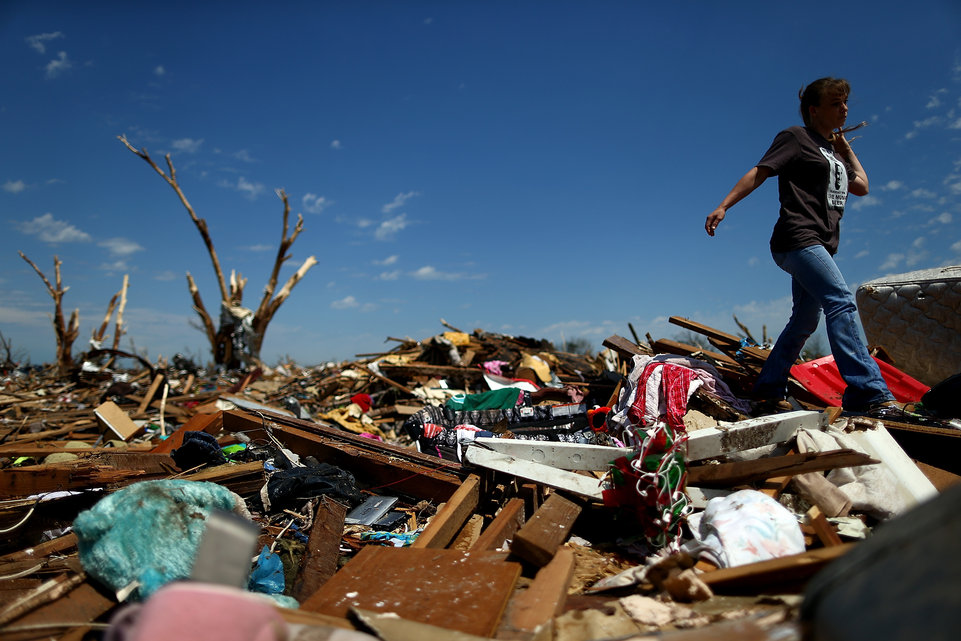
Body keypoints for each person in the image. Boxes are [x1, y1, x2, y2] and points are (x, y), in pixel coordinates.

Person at [705, 77, 895, 415]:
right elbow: (760, 172)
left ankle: (767, 388)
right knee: (841, 300)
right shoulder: (796, 137)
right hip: (797, 237)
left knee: (805, 320)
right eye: (836, 103)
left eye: (846, 102)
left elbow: (862, 186)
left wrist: (845, 148)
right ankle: (868, 391)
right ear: (814, 110)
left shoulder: (831, 153)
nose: (845, 108)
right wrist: (724, 205)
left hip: (821, 242)